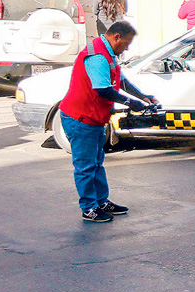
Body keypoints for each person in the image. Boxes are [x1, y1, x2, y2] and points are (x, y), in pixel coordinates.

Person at [58, 21, 158, 223]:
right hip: (81, 118)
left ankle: (101, 202)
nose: (127, 48)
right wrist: (131, 103)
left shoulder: (108, 52)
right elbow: (102, 89)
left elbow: (120, 81)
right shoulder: (97, 56)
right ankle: (89, 208)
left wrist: (141, 96)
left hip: (93, 118)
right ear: (116, 37)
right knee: (86, 166)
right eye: (126, 43)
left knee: (96, 163)